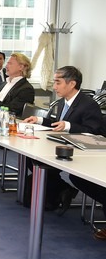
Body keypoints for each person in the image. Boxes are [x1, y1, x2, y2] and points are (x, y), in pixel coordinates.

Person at [23, 66, 102, 211]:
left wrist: (69, 125)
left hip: (81, 153)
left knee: (42, 163)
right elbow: (59, 124)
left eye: (58, 82)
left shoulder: (89, 105)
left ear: (72, 84)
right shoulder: (62, 102)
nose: (54, 87)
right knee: (32, 159)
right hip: (62, 147)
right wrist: (40, 120)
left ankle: (60, 191)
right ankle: (62, 190)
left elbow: (94, 132)